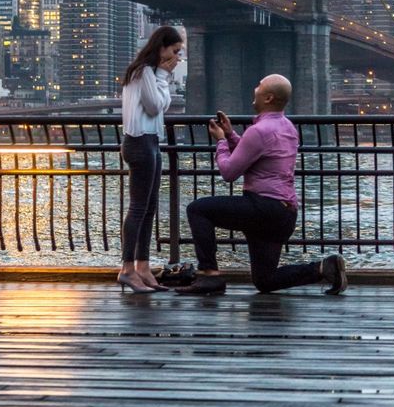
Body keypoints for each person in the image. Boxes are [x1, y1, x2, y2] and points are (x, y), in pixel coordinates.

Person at [176, 74, 347, 296]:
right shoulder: (288, 128)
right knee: (265, 280)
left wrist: (220, 142)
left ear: (268, 98)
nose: (254, 88)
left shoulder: (258, 131)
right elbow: (254, 154)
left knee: (198, 210)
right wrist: (230, 135)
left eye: (259, 86)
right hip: (284, 213)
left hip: (263, 208)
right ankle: (324, 268)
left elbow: (228, 172)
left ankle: (209, 275)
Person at [118, 26, 183, 293]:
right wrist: (164, 74)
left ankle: (142, 267)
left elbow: (163, 104)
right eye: (175, 51)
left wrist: (163, 78)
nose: (177, 57)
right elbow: (155, 105)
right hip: (139, 142)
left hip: (151, 141)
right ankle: (127, 269)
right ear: (161, 48)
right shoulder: (144, 72)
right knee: (138, 208)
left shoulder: (151, 73)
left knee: (149, 207)